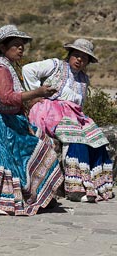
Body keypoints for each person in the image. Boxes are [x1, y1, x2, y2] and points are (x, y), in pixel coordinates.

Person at [0, 25, 64, 216]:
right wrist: (36, 93)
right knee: (20, 150)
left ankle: (39, 194)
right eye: (16, 45)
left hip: (7, 119)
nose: (21, 49)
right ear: (3, 47)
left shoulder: (6, 66)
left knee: (42, 141)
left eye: (22, 45)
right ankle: (23, 196)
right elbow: (6, 98)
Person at [22, 38, 114, 203]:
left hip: (72, 115)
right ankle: (75, 188)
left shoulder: (83, 80)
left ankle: (99, 185)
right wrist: (36, 93)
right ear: (70, 54)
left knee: (97, 138)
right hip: (48, 111)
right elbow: (28, 69)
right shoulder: (55, 65)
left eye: (84, 58)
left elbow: (80, 105)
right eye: (77, 55)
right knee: (75, 136)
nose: (79, 60)